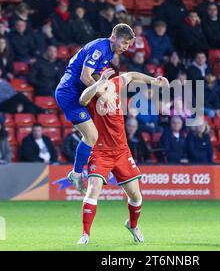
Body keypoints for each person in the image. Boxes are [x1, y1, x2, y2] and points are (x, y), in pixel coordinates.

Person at [76, 69, 168, 244]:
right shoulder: (92, 94)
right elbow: (82, 99)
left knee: (135, 195)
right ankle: (85, 234)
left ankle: (132, 225)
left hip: (121, 151)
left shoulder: (116, 84)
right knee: (93, 188)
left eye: (106, 80)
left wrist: (154, 81)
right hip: (100, 152)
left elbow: (133, 75)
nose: (106, 84)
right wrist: (98, 83)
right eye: (101, 81)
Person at [55, 24, 135, 194]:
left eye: (128, 44)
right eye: (124, 43)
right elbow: (85, 76)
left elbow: (96, 76)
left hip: (80, 94)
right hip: (69, 93)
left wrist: (104, 88)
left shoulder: (109, 52)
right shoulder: (99, 48)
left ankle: (84, 172)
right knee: (91, 136)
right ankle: (76, 174)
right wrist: (103, 95)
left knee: (94, 134)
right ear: (113, 37)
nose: (126, 48)